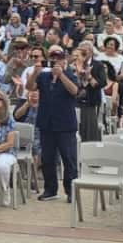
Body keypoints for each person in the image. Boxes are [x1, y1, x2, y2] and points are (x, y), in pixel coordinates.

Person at [28, 45, 79, 202]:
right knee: (47, 158)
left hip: (65, 124)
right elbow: (30, 87)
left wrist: (61, 75)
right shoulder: (44, 76)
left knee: (68, 158)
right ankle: (50, 189)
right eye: (52, 58)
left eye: (58, 58)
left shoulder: (70, 74)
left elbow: (75, 91)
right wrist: (34, 73)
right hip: (46, 122)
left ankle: (71, 191)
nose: (55, 61)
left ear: (64, 60)